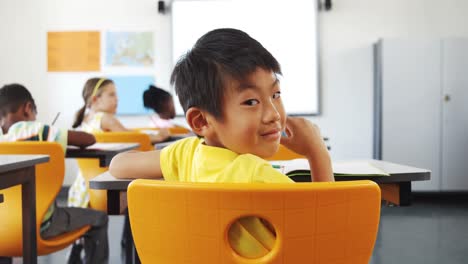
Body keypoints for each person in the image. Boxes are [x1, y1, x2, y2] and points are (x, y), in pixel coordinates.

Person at [109, 28, 333, 258]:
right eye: (251, 101)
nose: (274, 114)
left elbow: (118, 165)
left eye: (276, 94)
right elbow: (326, 242)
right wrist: (317, 153)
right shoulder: (262, 178)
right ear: (201, 121)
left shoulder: (186, 154)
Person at [0, 83, 109, 264]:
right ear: (28, 109)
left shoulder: (3, 141)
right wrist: (52, 133)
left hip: (3, 228)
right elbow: (88, 139)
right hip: (43, 224)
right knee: (100, 218)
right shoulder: (34, 129)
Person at [68, 77, 171, 207]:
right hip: (111, 182)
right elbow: (133, 138)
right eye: (111, 95)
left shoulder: (86, 120)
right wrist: (158, 137)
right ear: (95, 99)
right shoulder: (106, 118)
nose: (117, 99)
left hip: (82, 187)